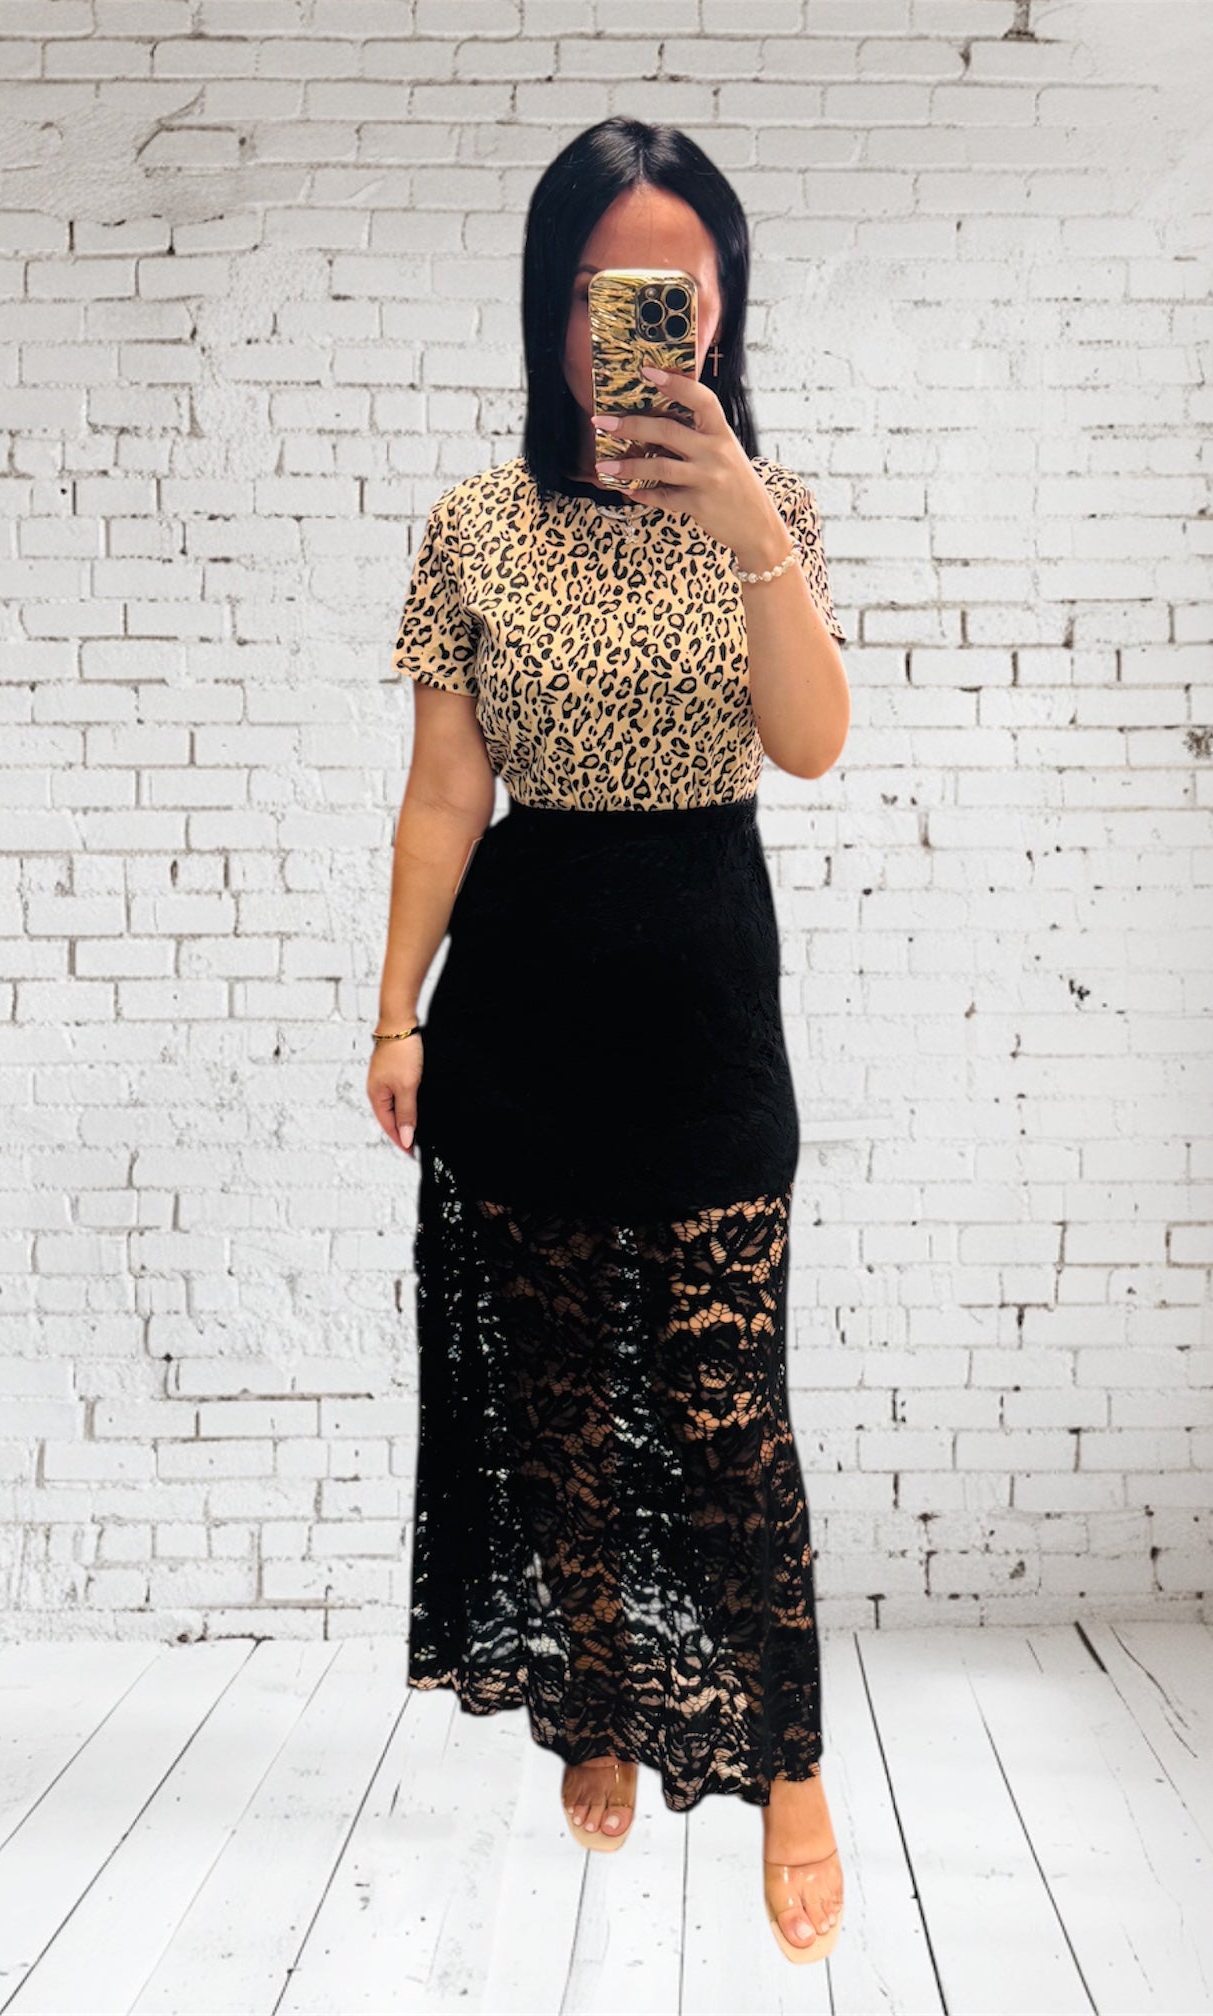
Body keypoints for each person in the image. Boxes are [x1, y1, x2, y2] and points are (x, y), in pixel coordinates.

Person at [368, 115, 851, 1965]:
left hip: (704, 992)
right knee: (562, 1401)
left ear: (720, 308)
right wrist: (397, 1010)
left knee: (729, 1412)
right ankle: (595, 1702)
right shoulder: (475, 525)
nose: (629, 324)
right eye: (598, 290)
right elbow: (443, 795)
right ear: (550, 305)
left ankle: (788, 1767)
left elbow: (810, 745)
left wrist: (751, 535)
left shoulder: (767, 510)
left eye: (670, 289)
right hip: (526, 994)